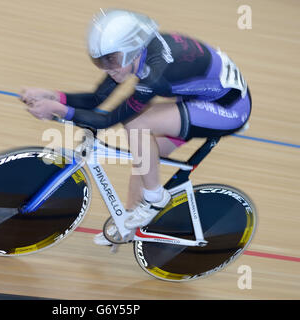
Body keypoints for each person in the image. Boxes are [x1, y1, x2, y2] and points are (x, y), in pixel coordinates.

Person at [19, 9, 252, 246]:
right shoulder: (128, 57)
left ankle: (156, 199)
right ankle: (127, 225)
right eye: (100, 61)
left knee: (136, 123)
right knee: (145, 161)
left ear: (131, 49)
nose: (106, 67)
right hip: (196, 98)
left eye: (110, 60)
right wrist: (52, 96)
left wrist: (58, 110)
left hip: (229, 109)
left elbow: (109, 120)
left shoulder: (154, 75)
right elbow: (96, 99)